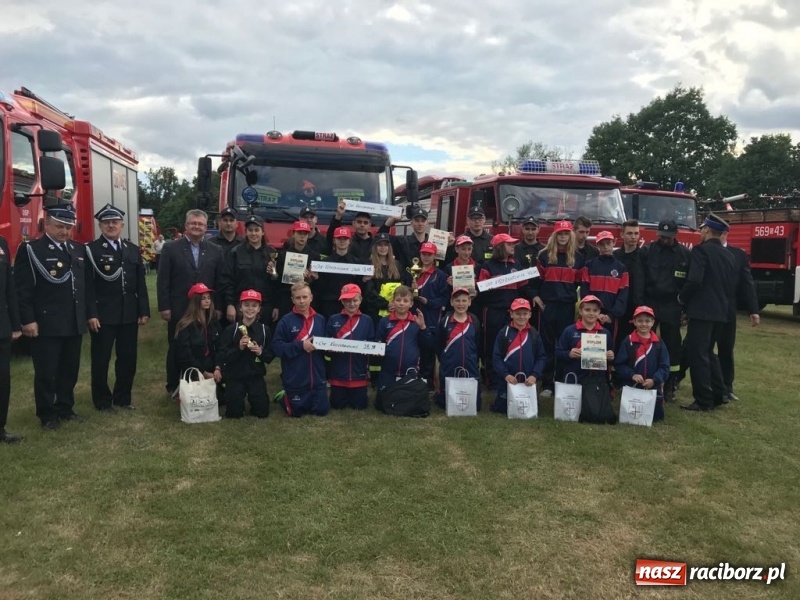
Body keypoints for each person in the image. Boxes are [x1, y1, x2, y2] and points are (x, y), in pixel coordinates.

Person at [15, 205, 90, 430]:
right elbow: (23, 290)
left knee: (69, 370)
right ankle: (47, 415)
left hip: (73, 320)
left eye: (68, 227)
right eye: (59, 226)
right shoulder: (32, 250)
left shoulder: (77, 249)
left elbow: (83, 287)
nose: (65, 231)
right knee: (47, 372)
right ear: (46, 224)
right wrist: (28, 320)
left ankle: (65, 408)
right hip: (46, 322)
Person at [85, 204, 150, 412]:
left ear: (122, 225)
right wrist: (92, 314)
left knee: (128, 358)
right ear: (100, 226)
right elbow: (88, 286)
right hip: (103, 315)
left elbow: (140, 283)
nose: (111, 225)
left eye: (114, 222)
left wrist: (144, 310)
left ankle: (123, 397)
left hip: (128, 314)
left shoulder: (132, 249)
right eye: (106, 222)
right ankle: (102, 401)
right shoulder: (91, 250)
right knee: (101, 359)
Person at [157, 209, 224, 396]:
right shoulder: (171, 248)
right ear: (186, 226)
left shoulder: (215, 250)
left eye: (201, 224)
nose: (197, 226)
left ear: (206, 227)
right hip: (179, 307)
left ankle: (199, 381)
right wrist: (165, 306)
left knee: (202, 345)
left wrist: (217, 306)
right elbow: (163, 280)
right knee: (177, 347)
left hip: (205, 308)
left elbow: (219, 281)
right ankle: (174, 385)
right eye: (193, 223)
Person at [678, 213, 736, 411]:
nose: (700, 232)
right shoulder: (729, 255)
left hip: (702, 311)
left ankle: (703, 399)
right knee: (709, 352)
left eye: (702, 229)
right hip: (722, 311)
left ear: (707, 230)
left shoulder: (701, 251)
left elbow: (695, 280)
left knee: (698, 354)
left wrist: (682, 298)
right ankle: (719, 393)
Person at [530, 220, 585, 395]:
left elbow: (580, 283)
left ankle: (561, 380)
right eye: (560, 234)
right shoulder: (544, 256)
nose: (563, 237)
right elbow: (534, 281)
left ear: (571, 236)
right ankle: (547, 384)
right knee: (547, 345)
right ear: (555, 236)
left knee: (565, 346)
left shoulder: (578, 257)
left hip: (567, 307)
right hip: (548, 306)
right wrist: (536, 296)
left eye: (566, 234)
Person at [643, 219, 691, 402]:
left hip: (672, 305)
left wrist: (684, 309)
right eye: (662, 237)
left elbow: (689, 284)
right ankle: (646, 376)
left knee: (673, 345)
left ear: (675, 235)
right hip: (651, 303)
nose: (665, 240)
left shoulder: (685, 255)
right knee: (646, 342)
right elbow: (641, 278)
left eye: (668, 237)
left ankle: (671, 382)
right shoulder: (648, 251)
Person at [555, 295, 616, 424]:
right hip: (575, 379)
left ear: (599, 313)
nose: (591, 313)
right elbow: (558, 352)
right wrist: (569, 354)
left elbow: (610, 357)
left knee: (599, 416)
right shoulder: (570, 331)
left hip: (596, 380)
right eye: (587, 310)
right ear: (581, 311)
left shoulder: (605, 333)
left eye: (595, 310)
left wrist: (611, 356)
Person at [272, 282, 329, 417]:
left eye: (305, 297)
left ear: (311, 297)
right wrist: (300, 345)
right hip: (296, 379)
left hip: (317, 379)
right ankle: (284, 395)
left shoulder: (320, 320)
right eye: (298, 298)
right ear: (292, 300)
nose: (302, 301)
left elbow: (326, 345)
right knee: (296, 413)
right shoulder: (285, 321)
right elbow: (276, 348)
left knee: (321, 411)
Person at [476, 233, 524, 388]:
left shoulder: (516, 264)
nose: (513, 246)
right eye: (509, 244)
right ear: (500, 247)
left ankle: (510, 377)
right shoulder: (487, 265)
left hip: (512, 312)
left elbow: (523, 287)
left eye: (513, 244)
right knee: (491, 345)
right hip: (493, 311)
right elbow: (482, 290)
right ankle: (491, 379)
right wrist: (495, 283)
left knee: (510, 344)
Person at [218, 289, 274, 419]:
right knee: (234, 414)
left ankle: (257, 400)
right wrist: (239, 348)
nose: (250, 309)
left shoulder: (265, 331)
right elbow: (223, 355)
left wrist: (260, 352)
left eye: (254, 306)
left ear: (259, 308)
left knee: (262, 413)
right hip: (235, 376)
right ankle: (234, 399)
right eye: (246, 305)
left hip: (255, 375)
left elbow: (270, 356)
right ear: (240, 308)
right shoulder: (231, 330)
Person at [718, 229, 760, 401]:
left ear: (725, 234)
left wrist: (754, 310)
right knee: (698, 348)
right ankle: (676, 380)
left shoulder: (738, 255)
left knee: (726, 349)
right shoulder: (702, 251)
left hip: (728, 310)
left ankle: (727, 387)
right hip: (706, 310)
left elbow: (747, 283)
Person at [374, 285, 432, 406]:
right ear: (393, 302)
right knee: (382, 404)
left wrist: (423, 328)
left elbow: (428, 345)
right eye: (398, 300)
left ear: (411, 304)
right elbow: (378, 342)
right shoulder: (385, 321)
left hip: (409, 371)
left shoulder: (416, 322)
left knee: (408, 404)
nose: (401, 304)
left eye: (405, 301)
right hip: (388, 371)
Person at [220, 214, 278, 328]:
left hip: (265, 307)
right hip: (241, 307)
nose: (253, 233)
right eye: (250, 230)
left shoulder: (272, 253)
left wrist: (276, 306)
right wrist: (230, 304)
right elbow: (227, 280)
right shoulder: (235, 252)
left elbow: (277, 282)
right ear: (245, 232)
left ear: (262, 232)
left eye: (257, 230)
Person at [614, 305, 671, 422]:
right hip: (632, 387)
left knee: (656, 418)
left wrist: (654, 380)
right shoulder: (628, 341)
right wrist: (632, 375)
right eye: (640, 321)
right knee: (631, 416)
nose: (643, 324)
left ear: (653, 322)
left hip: (652, 388)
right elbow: (619, 365)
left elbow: (665, 367)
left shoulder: (659, 343)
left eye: (647, 321)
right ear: (634, 322)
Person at [491, 298, 546, 414]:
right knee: (501, 410)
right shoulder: (504, 333)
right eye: (518, 313)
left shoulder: (534, 333)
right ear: (511, 314)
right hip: (508, 381)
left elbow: (541, 357)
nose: (521, 317)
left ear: (530, 314)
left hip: (528, 382)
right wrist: (505, 375)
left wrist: (535, 376)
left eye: (525, 314)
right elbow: (496, 357)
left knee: (530, 410)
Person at [325, 284, 375, 410]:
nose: (351, 304)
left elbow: (372, 342)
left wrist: (369, 348)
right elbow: (326, 343)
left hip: (359, 374)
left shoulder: (367, 320)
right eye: (347, 301)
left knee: (360, 406)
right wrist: (330, 346)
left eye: (355, 300)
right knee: (336, 405)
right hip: (338, 374)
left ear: (361, 300)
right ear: (342, 301)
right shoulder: (333, 319)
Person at [579, 230, 629, 348]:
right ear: (597, 245)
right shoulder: (589, 265)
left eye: (608, 243)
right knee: (589, 346)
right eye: (602, 244)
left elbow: (623, 294)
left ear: (614, 243)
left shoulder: (621, 268)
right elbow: (585, 291)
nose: (605, 246)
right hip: (592, 314)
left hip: (611, 316)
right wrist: (594, 313)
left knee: (610, 345)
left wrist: (612, 315)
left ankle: (609, 367)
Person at [435, 288, 482, 410]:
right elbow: (439, 344)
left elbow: (477, 342)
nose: (461, 304)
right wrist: (445, 359)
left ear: (469, 302)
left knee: (474, 405)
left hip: (470, 364)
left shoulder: (475, 321)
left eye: (464, 300)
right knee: (445, 403)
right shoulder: (445, 321)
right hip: (449, 364)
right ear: (451, 302)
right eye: (457, 301)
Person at [173, 283, 223, 393]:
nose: (207, 301)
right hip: (195, 368)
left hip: (213, 366)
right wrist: (203, 373)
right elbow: (184, 355)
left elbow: (221, 346)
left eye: (209, 298)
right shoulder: (185, 326)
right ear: (195, 301)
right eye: (203, 298)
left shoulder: (213, 322)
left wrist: (218, 368)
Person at [412, 242, 449, 388]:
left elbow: (444, 298)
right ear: (420, 255)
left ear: (434, 256)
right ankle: (413, 381)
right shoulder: (414, 271)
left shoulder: (440, 275)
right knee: (415, 350)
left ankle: (428, 384)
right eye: (424, 254)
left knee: (428, 352)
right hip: (414, 315)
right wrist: (411, 290)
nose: (426, 257)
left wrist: (428, 302)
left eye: (429, 254)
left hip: (432, 318)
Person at [0, 233, 23, 443]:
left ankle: (1, 429)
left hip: (2, 327)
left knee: (3, 381)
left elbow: (9, 288)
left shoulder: (1, 243)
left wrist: (16, 324)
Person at [613, 220, 648, 351]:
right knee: (617, 341)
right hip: (618, 307)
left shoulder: (645, 257)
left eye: (636, 233)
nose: (633, 237)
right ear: (622, 235)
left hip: (637, 308)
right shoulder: (615, 257)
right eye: (629, 233)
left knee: (636, 345)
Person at [275, 221, 322, 317]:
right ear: (293, 234)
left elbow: (318, 285)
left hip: (305, 301)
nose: (302, 236)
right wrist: (277, 305)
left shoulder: (315, 257)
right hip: (286, 300)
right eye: (299, 233)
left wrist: (311, 279)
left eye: (305, 234)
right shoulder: (283, 255)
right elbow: (277, 283)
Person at [315, 226, 362, 318]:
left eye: (345, 238)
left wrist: (364, 280)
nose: (342, 241)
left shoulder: (357, 263)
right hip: (330, 306)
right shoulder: (325, 263)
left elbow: (360, 286)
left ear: (349, 241)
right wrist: (317, 278)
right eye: (339, 238)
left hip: (350, 305)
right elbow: (321, 289)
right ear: (334, 240)